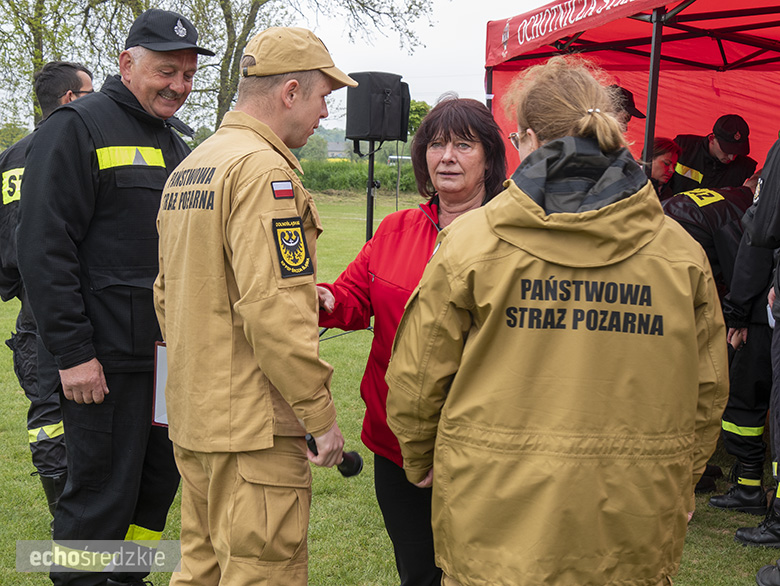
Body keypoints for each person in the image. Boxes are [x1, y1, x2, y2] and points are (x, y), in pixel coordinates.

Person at [385, 55, 729, 586]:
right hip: (631, 521)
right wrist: (681, 477)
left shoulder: (471, 243)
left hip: (493, 519)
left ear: (524, 138)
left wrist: (418, 456)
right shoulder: (680, 254)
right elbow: (707, 388)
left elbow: (417, 375)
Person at [17, 9, 213, 586]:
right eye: (165, 71)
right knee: (97, 499)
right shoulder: (76, 128)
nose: (178, 85)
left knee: (155, 491)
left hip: (166, 362)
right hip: (104, 365)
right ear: (127, 64)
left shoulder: (175, 143)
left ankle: (126, 580)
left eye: (186, 74)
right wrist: (74, 356)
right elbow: (43, 250)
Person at [154, 27, 352, 585]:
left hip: (196, 417)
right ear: (290, 91)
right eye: (321, 99)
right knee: (261, 573)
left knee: (201, 569)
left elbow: (172, 294)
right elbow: (274, 312)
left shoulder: (193, 166)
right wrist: (319, 416)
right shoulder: (265, 171)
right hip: (254, 431)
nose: (322, 115)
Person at [317, 96, 507, 586]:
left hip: (483, 446)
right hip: (396, 439)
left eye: (464, 145)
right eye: (437, 144)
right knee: (417, 568)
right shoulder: (397, 228)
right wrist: (323, 299)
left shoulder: (515, 237)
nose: (447, 156)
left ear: (489, 155)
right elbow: (354, 298)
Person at [0, 60, 93, 524]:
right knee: (71, 416)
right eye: (90, 93)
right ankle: (75, 522)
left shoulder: (10, 157)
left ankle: (64, 511)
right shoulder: (72, 148)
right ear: (72, 100)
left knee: (47, 416)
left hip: (31, 315)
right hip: (75, 304)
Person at [732, 139, 780, 586]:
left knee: (752, 401)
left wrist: (737, 311)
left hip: (764, 312)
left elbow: (759, 237)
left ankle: (756, 492)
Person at [666, 114, 757, 196]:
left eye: (737, 152)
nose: (732, 158)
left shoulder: (746, 168)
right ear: (712, 139)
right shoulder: (683, 147)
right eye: (726, 150)